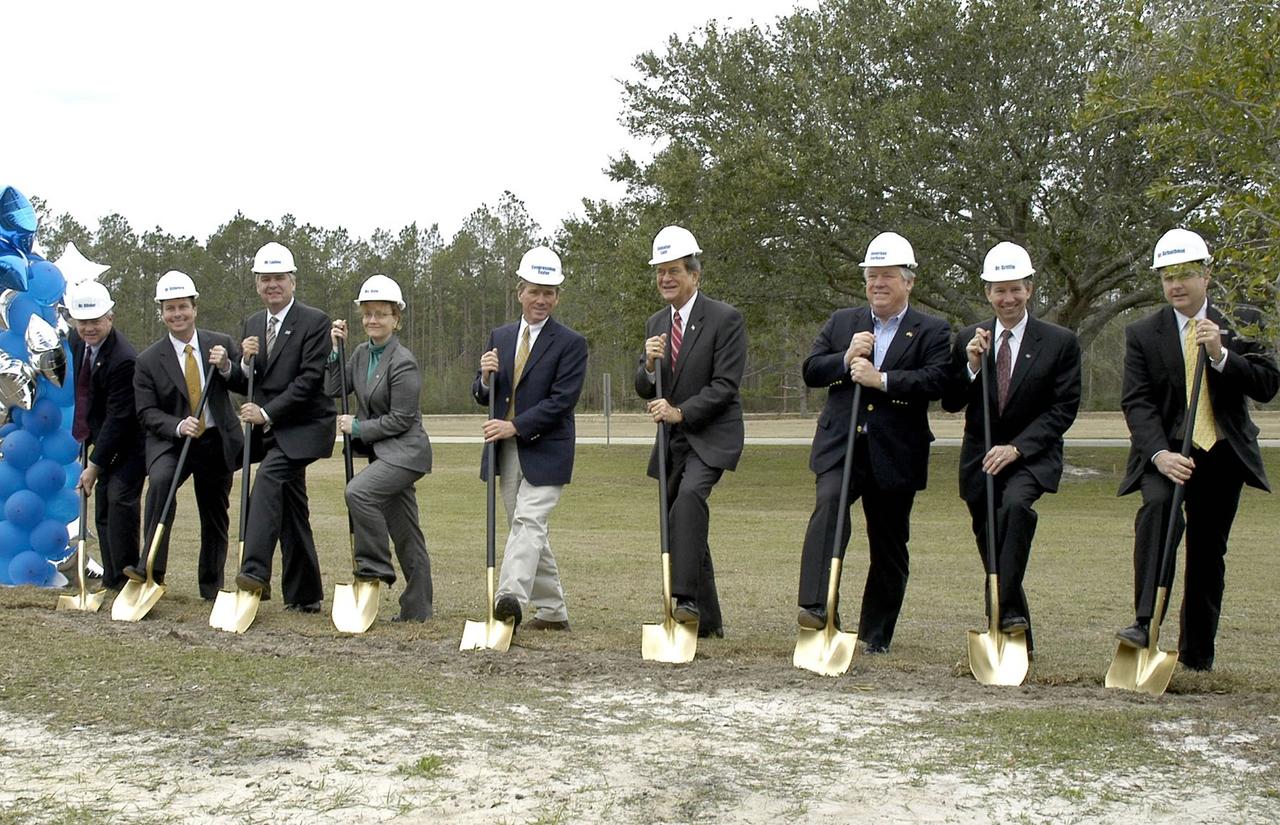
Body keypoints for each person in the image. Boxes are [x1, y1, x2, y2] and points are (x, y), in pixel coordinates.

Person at [1114, 228, 1278, 671]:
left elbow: (1267, 384)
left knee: (1207, 552)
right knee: (1157, 514)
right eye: (1167, 277)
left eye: (1185, 275)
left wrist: (1222, 355)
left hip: (1221, 454)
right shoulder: (1143, 333)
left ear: (1206, 275)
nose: (1176, 285)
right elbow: (1137, 401)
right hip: (1165, 454)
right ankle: (1144, 623)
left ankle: (1196, 655)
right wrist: (1159, 455)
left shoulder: (1242, 321)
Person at [795, 231, 950, 654]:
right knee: (829, 508)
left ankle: (874, 635)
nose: (878, 284)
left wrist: (882, 380)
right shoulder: (842, 322)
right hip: (840, 444)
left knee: (888, 543)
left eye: (887, 276)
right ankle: (817, 607)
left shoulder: (932, 330)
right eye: (871, 276)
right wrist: (846, 358)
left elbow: (937, 380)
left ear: (908, 282)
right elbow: (811, 370)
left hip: (895, 451)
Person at [940, 242, 1081, 656]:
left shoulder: (1059, 342)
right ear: (988, 293)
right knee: (992, 544)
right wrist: (971, 365)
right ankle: (1015, 629)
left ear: (1029, 289)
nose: (1008, 299)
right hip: (980, 460)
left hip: (1030, 457)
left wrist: (1017, 448)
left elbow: (1063, 409)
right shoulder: (970, 339)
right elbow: (950, 402)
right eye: (1000, 290)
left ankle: (1000, 613)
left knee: (1016, 509)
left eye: (1016, 289)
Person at [212, 241, 336, 613]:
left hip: (305, 427)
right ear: (256, 284)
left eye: (279, 278)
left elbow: (309, 381)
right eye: (265, 279)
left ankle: (254, 573)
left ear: (292, 281)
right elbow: (251, 381)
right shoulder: (253, 323)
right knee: (292, 509)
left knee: (268, 480)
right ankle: (305, 595)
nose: (272, 285)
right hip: (274, 432)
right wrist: (233, 366)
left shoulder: (314, 321)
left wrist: (265, 413)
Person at [635, 225, 746, 639]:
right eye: (660, 272)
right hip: (673, 441)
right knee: (681, 520)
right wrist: (648, 366)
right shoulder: (656, 323)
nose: (666, 278)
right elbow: (644, 385)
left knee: (689, 500)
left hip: (711, 435)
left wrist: (680, 412)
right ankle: (709, 622)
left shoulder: (725, 318)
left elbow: (725, 385)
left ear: (695, 275)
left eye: (674, 271)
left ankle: (683, 602)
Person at [473, 246, 587, 631]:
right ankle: (553, 611)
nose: (541, 300)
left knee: (528, 521)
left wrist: (515, 426)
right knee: (526, 528)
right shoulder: (501, 336)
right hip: (506, 450)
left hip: (547, 448)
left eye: (549, 293)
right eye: (535, 291)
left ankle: (509, 598)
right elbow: (483, 393)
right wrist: (484, 377)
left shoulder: (571, 343)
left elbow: (561, 402)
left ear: (557, 296)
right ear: (520, 292)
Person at [127, 271, 243, 600]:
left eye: (182, 307)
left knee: (214, 512)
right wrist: (178, 426)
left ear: (194, 308)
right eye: (170, 308)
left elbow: (244, 382)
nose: (177, 314)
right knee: (161, 485)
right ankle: (151, 571)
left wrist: (226, 367)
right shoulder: (148, 360)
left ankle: (211, 587)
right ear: (161, 313)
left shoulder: (220, 344)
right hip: (172, 442)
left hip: (214, 441)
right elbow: (146, 412)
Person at [326, 275, 434, 622]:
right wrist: (335, 349)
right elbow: (334, 388)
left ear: (396, 318)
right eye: (368, 314)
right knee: (406, 532)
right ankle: (418, 609)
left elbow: (402, 419)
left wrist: (357, 427)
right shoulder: (360, 354)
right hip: (384, 454)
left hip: (406, 455)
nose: (373, 320)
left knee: (358, 492)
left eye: (381, 314)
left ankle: (374, 566)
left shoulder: (403, 361)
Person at [66, 280, 145, 592]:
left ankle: (126, 577)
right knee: (102, 508)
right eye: (83, 321)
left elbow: (119, 418)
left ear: (110, 317)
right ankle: (112, 580)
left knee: (120, 501)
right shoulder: (75, 340)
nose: (88, 328)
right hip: (102, 435)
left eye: (95, 321)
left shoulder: (123, 358)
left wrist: (94, 465)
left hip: (132, 441)